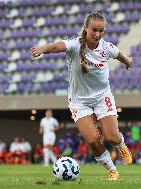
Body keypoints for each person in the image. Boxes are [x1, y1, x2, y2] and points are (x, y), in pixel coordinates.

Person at [30, 12, 132, 181]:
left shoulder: (106, 47)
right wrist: (42, 49)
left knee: (112, 136)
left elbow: (121, 56)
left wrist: (128, 62)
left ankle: (121, 145)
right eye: (94, 30)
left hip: (102, 96)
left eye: (101, 30)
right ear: (86, 28)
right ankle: (113, 170)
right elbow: (56, 46)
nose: (98, 34)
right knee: (92, 140)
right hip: (79, 101)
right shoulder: (75, 45)